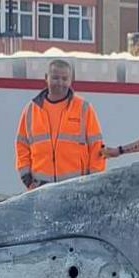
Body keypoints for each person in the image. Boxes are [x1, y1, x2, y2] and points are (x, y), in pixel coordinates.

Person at [15, 60, 106, 189]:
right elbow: (21, 146)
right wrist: (27, 179)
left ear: (70, 81)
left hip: (75, 188)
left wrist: (92, 183)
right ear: (46, 78)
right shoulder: (31, 110)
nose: (60, 83)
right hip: (41, 189)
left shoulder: (84, 108)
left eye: (64, 79)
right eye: (55, 78)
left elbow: (97, 148)